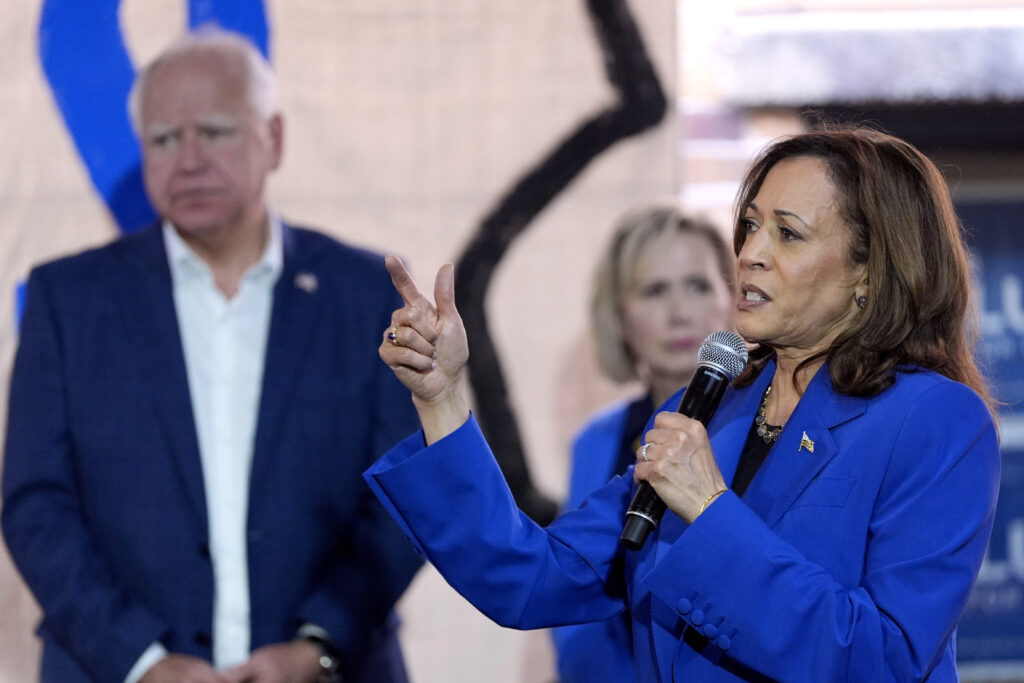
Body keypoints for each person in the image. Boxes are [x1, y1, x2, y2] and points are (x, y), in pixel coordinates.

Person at [364, 125, 1001, 681]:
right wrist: (442, 397)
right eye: (750, 226)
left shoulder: (933, 420)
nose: (750, 253)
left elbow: (882, 661)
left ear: (869, 271)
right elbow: (529, 579)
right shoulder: (711, 405)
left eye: (788, 234)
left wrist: (710, 509)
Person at [2, 28, 422, 683]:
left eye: (216, 131)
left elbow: (407, 492)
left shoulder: (365, 293)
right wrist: (140, 660)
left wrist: (318, 644)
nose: (189, 159)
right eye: (165, 139)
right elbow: (36, 505)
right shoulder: (69, 301)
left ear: (274, 138)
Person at [551, 206, 734, 682]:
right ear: (620, 319)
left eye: (698, 285)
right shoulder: (597, 440)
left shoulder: (772, 424)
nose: (679, 313)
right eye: (655, 291)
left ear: (732, 300)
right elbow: (575, 599)